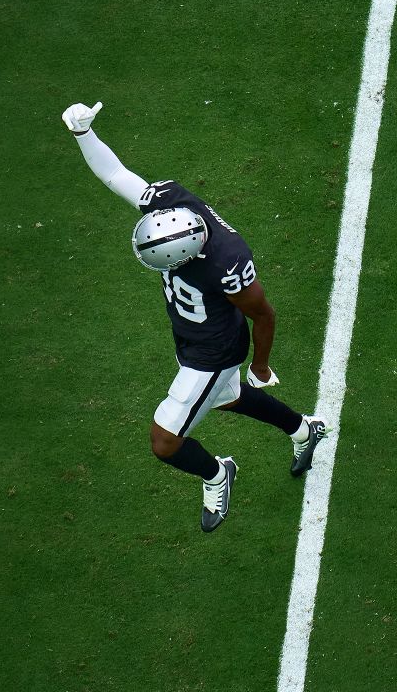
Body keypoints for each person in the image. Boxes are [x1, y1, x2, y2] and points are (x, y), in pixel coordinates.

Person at [62, 101, 328, 533]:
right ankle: (304, 431)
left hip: (214, 350)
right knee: (228, 397)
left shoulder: (227, 262)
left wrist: (259, 365)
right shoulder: (171, 206)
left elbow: (263, 315)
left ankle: (218, 474)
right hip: (189, 335)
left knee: (164, 441)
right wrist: (84, 134)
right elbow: (116, 176)